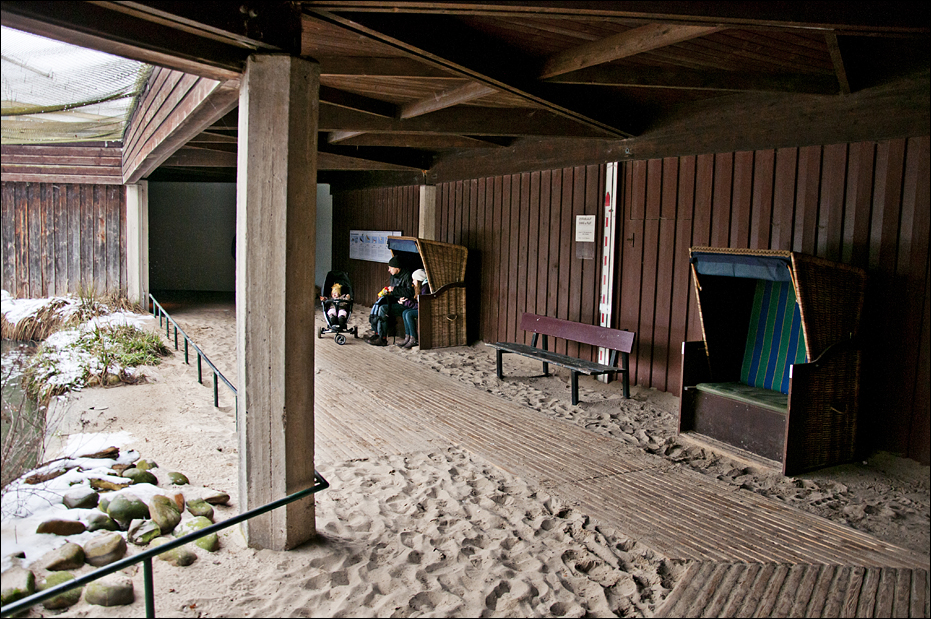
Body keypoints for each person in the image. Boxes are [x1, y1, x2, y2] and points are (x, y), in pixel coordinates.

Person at [367, 257, 414, 346]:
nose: (389, 270)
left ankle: (383, 338)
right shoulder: (393, 276)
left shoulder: (407, 275)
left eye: (390, 268)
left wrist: (394, 290)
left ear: (397, 268)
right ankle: (377, 333)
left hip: (405, 304)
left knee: (383, 309)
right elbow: (393, 292)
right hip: (396, 300)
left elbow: (410, 292)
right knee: (378, 304)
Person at [397, 269, 429, 349]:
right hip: (421, 308)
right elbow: (416, 301)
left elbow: (421, 305)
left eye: (414, 279)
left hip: (425, 310)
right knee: (405, 312)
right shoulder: (421, 287)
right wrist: (407, 300)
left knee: (409, 314)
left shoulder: (425, 288)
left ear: (419, 280)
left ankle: (413, 339)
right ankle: (408, 337)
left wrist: (406, 303)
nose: (413, 282)